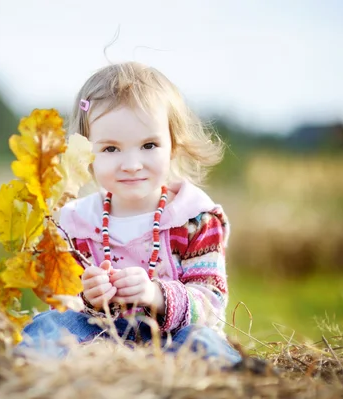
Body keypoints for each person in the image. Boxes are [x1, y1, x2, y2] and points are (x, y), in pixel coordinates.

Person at [20, 62, 241, 365]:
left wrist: (157, 295)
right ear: (86, 153)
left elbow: (211, 305)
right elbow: (62, 297)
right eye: (111, 149)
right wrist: (87, 297)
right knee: (47, 327)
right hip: (98, 338)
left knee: (202, 341)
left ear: (173, 145)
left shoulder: (194, 219)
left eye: (149, 145)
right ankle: (18, 374)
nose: (132, 164)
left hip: (173, 337)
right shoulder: (76, 224)